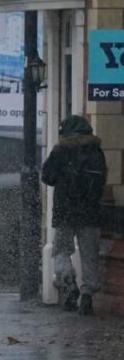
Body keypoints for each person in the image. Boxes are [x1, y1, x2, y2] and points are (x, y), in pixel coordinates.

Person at [41, 115, 107, 315]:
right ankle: (87, 295)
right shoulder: (96, 152)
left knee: (61, 250)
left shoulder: (61, 151)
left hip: (65, 211)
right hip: (90, 212)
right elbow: (102, 178)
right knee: (90, 255)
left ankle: (68, 281)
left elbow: (47, 176)